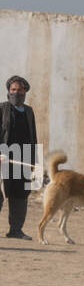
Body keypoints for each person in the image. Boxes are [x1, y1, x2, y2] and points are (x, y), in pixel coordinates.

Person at [0, 76, 39, 239]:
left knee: (20, 195)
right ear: (9, 91)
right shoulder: (2, 108)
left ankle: (15, 230)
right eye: (13, 90)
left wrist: (34, 161)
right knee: (0, 193)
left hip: (22, 158)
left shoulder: (29, 111)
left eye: (20, 90)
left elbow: (33, 135)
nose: (17, 93)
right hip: (3, 157)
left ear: (25, 91)